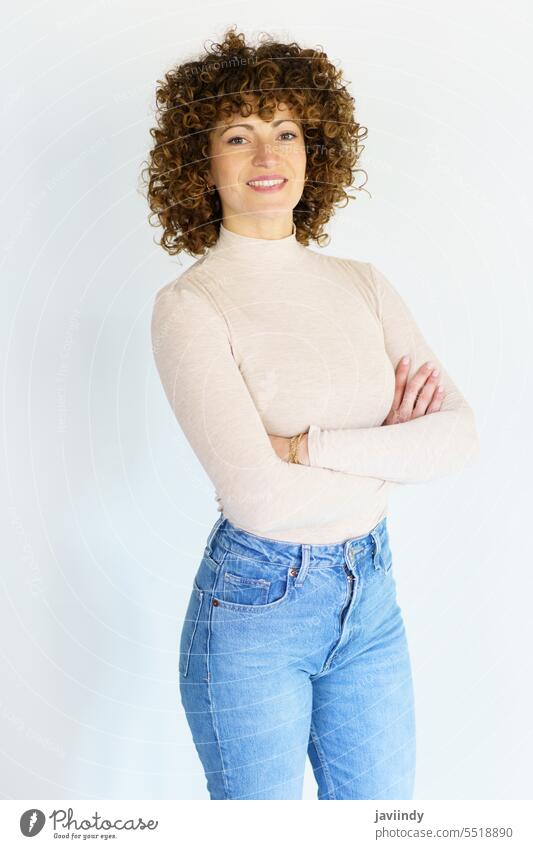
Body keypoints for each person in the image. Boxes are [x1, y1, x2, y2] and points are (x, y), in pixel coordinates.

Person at [144, 27, 480, 800]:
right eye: (239, 135)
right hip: (257, 608)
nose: (268, 158)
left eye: (287, 131)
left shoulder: (361, 282)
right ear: (202, 163)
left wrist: (302, 445)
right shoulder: (190, 306)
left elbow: (457, 437)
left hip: (372, 598)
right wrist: (391, 444)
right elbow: (259, 497)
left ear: (314, 149)